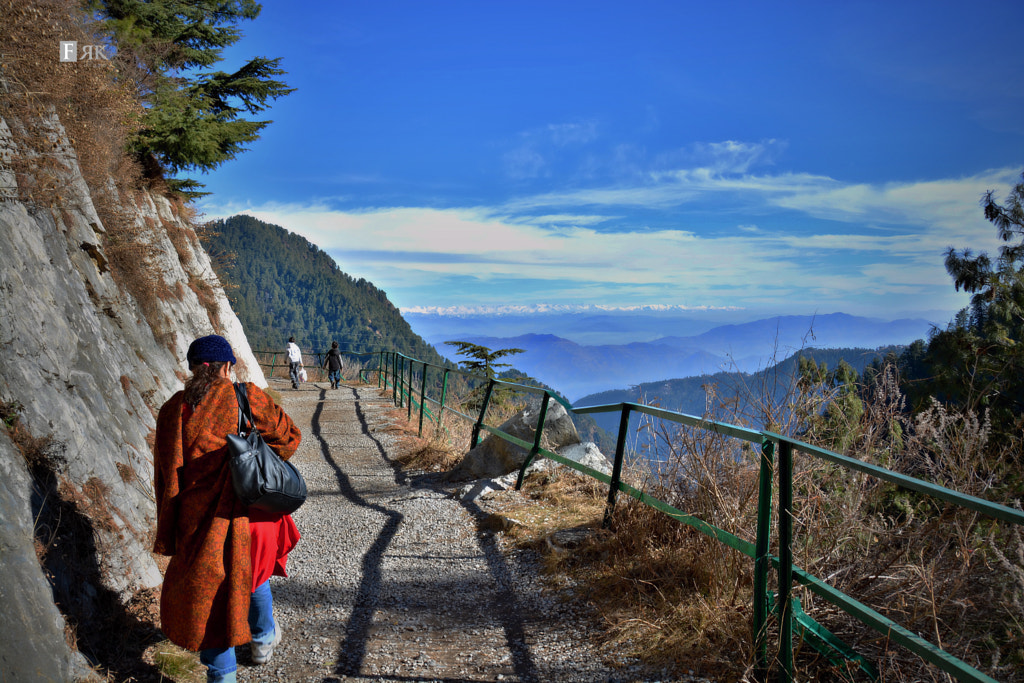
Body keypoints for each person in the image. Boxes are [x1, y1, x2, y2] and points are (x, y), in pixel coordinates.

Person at [153, 334, 302, 683]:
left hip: (197, 527)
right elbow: (290, 438)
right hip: (247, 516)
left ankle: (224, 674)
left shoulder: (173, 410)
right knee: (253, 575)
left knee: (213, 605)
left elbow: (165, 479)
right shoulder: (245, 396)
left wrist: (170, 531)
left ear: (192, 370)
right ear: (227, 367)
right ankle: (263, 640)